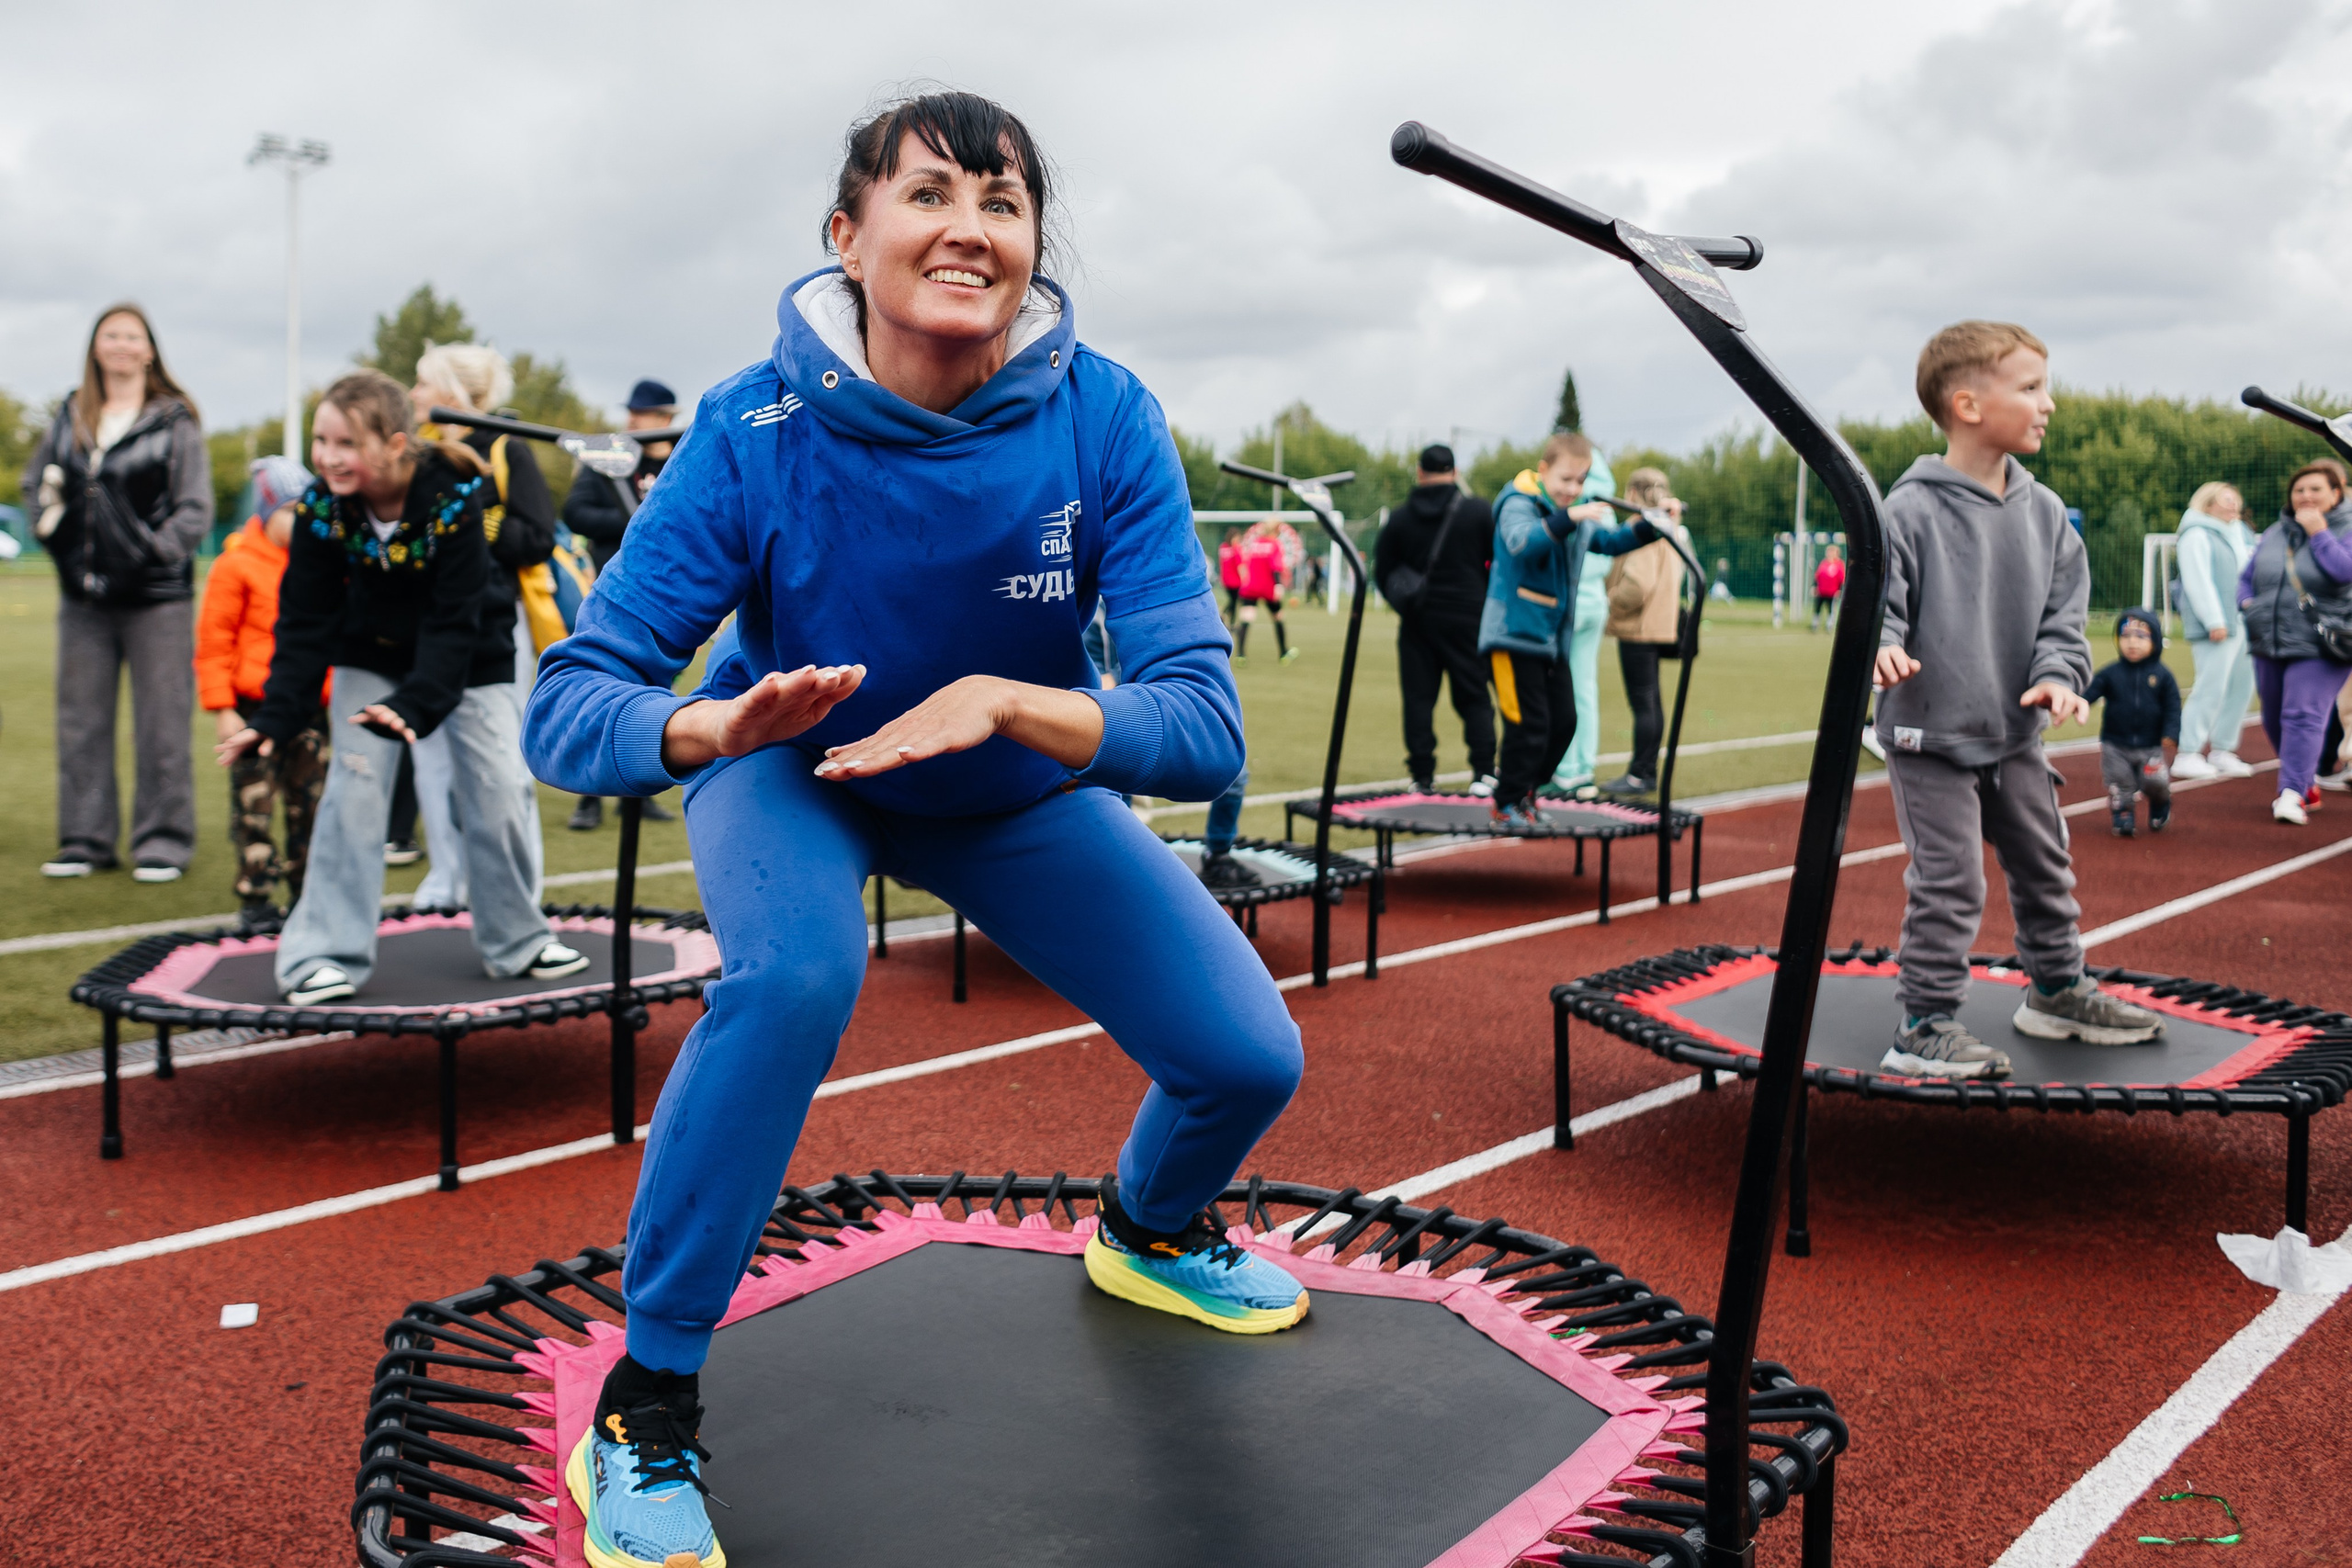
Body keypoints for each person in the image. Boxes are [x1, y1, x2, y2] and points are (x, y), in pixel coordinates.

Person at [521, 92, 1307, 1568]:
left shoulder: (1106, 412)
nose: (969, 226)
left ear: (1030, 245)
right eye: (930, 193)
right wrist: (705, 725)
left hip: (1010, 785)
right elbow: (573, 701)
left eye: (1002, 202)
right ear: (849, 233)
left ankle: (1147, 1228)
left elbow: (1204, 729)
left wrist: (1016, 702)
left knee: (1248, 1056)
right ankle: (645, 1401)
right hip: (795, 768)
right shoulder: (751, 426)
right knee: (795, 979)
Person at [219, 370, 585, 1007]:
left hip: (471, 656)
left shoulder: (453, 495)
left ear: (393, 443)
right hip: (374, 656)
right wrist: (277, 716)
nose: (328, 457)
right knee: (353, 790)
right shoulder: (321, 510)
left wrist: (413, 707)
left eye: (344, 443)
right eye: (320, 440)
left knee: (498, 790)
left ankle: (518, 941)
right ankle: (322, 954)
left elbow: (454, 619)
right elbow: (304, 623)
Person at [1873, 321, 2160, 1081]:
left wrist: (2061, 676)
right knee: (1952, 878)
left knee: (2045, 862)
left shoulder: (2047, 516)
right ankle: (1923, 1023)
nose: (2049, 404)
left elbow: (2063, 623)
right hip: (1928, 738)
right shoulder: (1906, 511)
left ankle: (2058, 990)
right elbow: (1880, 603)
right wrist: (1883, 641)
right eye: (2031, 387)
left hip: (2014, 735)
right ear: (1967, 403)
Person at [24, 303, 211, 881]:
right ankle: (85, 839)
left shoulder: (174, 420)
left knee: (162, 720)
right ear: (96, 347)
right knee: (81, 718)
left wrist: (145, 556)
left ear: (149, 348)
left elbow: (195, 511)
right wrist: (54, 532)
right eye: (112, 335)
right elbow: (38, 486)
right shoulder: (71, 414)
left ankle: (163, 840)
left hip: (157, 599)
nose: (122, 345)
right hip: (84, 599)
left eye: (133, 336)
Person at [408, 344, 560, 904]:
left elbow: (537, 536)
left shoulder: (503, 447)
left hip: (496, 624)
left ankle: (520, 884)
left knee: (501, 757)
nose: (414, 396)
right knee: (430, 756)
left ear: (453, 393)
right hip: (428, 623)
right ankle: (447, 877)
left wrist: (469, 522)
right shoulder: (419, 452)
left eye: (423, 384)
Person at [1481, 432, 1657, 826]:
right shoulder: (1518, 501)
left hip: (1550, 639)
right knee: (1527, 724)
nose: (1573, 489)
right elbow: (1519, 541)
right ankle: (1505, 802)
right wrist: (1566, 518)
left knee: (1564, 721)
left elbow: (1610, 542)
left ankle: (1528, 790)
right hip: (1512, 635)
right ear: (1543, 471)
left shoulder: (1575, 512)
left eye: (1580, 481)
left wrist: (1650, 525)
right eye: (1565, 480)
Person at [196, 457, 329, 930]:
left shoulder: (322, 562)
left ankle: (306, 896)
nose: (301, 521)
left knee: (310, 807)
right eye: (290, 511)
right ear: (266, 511)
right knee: (254, 807)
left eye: (307, 511)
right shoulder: (236, 565)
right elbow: (214, 642)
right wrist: (223, 708)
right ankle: (255, 898)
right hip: (253, 713)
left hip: (313, 712)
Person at [563, 380, 685, 832]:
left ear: (665, 418)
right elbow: (575, 513)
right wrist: (637, 518)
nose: (634, 421)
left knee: (656, 697)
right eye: (632, 412)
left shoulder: (684, 457)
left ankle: (641, 792)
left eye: (645, 414)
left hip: (668, 601)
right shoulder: (610, 460)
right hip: (609, 595)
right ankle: (588, 800)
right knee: (600, 691)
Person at [1373, 443, 1495, 794]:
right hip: (1468, 619)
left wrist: (1406, 605)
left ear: (1420, 472)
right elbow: (1496, 562)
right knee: (1474, 696)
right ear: (1455, 472)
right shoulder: (1478, 511)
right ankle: (1484, 772)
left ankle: (1422, 777)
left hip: (1417, 621)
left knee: (1419, 700)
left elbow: (1383, 572)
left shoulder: (1400, 517)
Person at [2239, 457, 2352, 825]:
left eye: (2315, 489)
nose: (2305, 495)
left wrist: (2319, 533)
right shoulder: (2275, 532)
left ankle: (2291, 794)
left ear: (2336, 493)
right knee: (2273, 718)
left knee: (2302, 713)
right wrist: (2247, 604)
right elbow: (2248, 576)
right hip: (2268, 639)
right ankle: (2304, 780)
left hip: (2322, 642)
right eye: (2299, 489)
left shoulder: (2348, 527)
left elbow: (2344, 571)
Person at [1598, 467, 1690, 797]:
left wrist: (1607, 600)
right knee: (1652, 701)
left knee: (1644, 703)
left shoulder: (1644, 525)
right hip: (1660, 622)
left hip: (1639, 626)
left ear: (1633, 493)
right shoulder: (1671, 524)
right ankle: (1645, 769)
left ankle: (1641, 772)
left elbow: (1637, 584)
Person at [2169, 482, 2258, 780]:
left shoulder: (2239, 533)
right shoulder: (2196, 534)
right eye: (2227, 500)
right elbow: (2197, 580)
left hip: (2243, 622)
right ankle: (2188, 752)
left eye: (2236, 500)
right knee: (2211, 687)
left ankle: (2222, 749)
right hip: (2218, 626)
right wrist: (2214, 620)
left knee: (2241, 687)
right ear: (2208, 505)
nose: (2234, 505)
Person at [1550, 450, 1618, 796]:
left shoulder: (1575, 504)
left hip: (1572, 600)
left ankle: (1563, 770)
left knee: (1559, 686)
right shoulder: (1605, 502)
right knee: (1585, 687)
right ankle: (1584, 769)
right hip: (1597, 601)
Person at [2082, 609, 2180, 837]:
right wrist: (2078, 701)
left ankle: (2160, 803)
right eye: (2126, 637)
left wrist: (2172, 733)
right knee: (2120, 783)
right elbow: (2090, 693)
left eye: (2140, 637)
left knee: (2155, 782)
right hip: (2115, 743)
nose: (2132, 643)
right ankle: (2123, 815)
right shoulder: (2110, 673)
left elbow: (2173, 708)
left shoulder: (2163, 676)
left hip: (2150, 744)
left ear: (2155, 641)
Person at [1232, 518, 1292, 661]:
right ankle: (1283, 653)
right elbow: (1275, 567)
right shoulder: (1275, 545)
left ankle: (1241, 655)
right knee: (1278, 618)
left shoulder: (1255, 544)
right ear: (1275, 530)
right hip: (1268, 588)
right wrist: (1278, 586)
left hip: (1251, 587)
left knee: (1246, 620)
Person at [1811, 544, 1845, 632]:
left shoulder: (1839, 564)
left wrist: (1839, 590)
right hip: (1821, 591)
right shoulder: (1824, 563)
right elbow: (1817, 575)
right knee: (1817, 608)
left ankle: (1829, 625)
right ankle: (1815, 624)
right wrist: (1814, 587)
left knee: (1831, 609)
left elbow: (1841, 578)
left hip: (1832, 592)